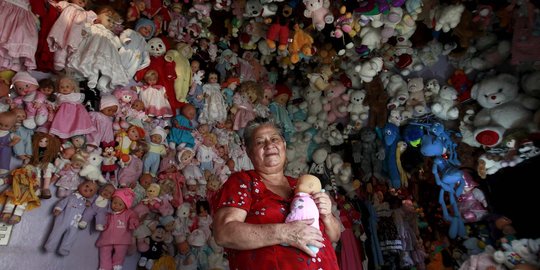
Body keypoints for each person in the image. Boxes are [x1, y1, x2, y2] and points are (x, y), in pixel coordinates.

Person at [213, 117, 341, 270]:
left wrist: (327, 215)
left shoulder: (301, 184)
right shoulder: (243, 182)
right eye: (260, 142)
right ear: (249, 152)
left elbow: (334, 236)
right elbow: (224, 233)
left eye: (274, 139)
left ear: (284, 145)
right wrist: (285, 233)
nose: (269, 145)